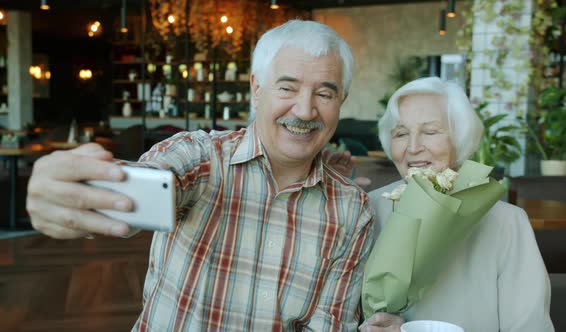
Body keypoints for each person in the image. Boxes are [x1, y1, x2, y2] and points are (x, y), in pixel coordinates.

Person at [26, 20, 374, 331]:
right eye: (287, 88)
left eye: (324, 93)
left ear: (341, 100)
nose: (304, 109)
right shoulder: (201, 158)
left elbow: (330, 324)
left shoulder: (351, 209)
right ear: (256, 88)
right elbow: (147, 184)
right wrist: (80, 190)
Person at [358, 77, 553, 332]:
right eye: (401, 133)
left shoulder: (507, 222)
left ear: (460, 139)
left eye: (430, 132)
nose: (413, 147)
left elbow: (530, 327)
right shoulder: (367, 210)